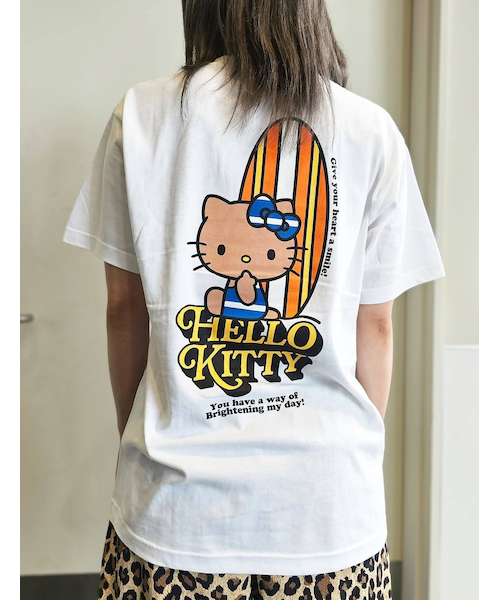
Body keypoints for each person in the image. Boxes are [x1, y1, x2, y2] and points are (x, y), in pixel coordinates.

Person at [64, 1, 445, 598]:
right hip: (329, 516)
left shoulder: (140, 115)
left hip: (176, 515)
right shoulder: (371, 131)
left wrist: (144, 436)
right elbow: (376, 327)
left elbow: (124, 311)